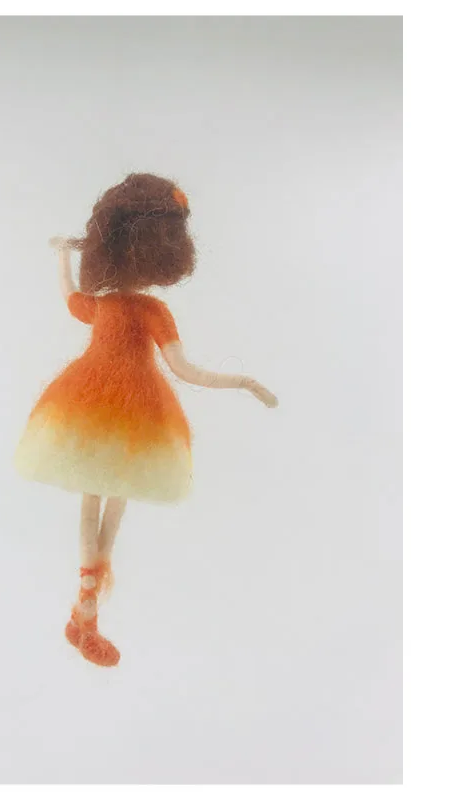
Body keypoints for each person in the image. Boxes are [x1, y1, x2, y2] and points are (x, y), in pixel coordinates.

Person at [14, 173, 277, 667]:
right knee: (109, 499)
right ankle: (86, 611)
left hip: (97, 405)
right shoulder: (147, 309)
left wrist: (62, 256)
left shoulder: (112, 306)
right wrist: (241, 382)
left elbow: (70, 297)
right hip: (122, 413)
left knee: (100, 498)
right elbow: (185, 369)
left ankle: (85, 609)